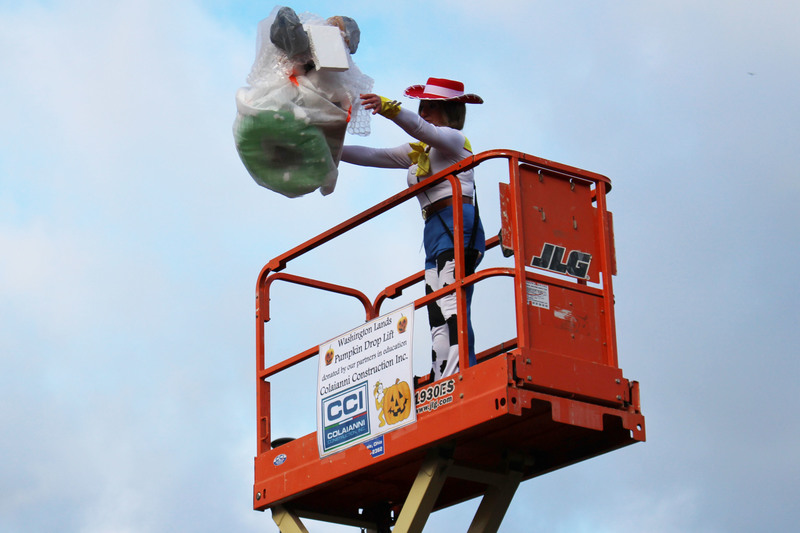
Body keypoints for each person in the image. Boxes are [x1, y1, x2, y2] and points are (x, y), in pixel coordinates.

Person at [340, 77, 485, 381]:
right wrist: (331, 150)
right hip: (434, 230)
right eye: (423, 106)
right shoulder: (420, 150)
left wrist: (390, 109)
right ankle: (441, 371)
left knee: (451, 299)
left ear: (450, 111)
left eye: (432, 106)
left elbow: (423, 129)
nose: (424, 111)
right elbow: (374, 156)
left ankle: (462, 370)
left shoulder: (453, 140)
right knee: (435, 307)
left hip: (458, 223)